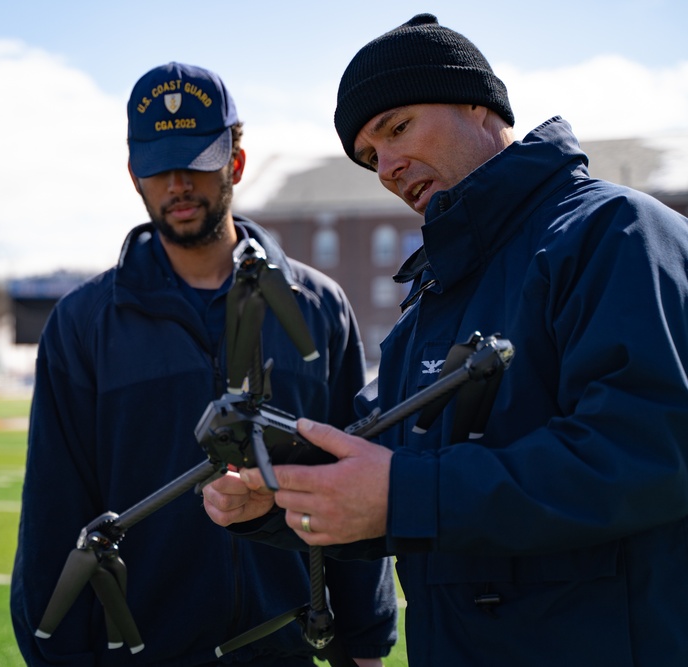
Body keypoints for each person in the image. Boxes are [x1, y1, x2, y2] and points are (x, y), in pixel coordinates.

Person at [203, 13, 688, 666]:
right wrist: (276, 490)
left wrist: (406, 493)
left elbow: (646, 450)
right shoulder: (426, 304)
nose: (389, 167)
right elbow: (386, 476)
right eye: (371, 156)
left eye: (398, 128)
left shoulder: (616, 234)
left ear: (477, 102)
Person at [10, 62, 397, 666]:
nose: (178, 184)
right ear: (134, 175)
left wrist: (366, 644)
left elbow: (353, 475)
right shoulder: (83, 324)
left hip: (288, 651)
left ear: (235, 165)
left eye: (196, 161)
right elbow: (54, 518)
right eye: (159, 167)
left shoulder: (319, 308)